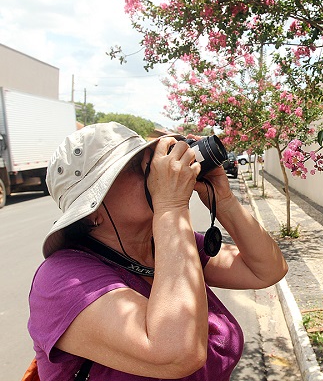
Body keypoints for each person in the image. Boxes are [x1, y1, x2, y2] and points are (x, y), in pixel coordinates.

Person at [27, 122, 288, 380]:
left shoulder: (166, 246)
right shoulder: (63, 281)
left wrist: (224, 201)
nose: (153, 170)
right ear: (92, 211)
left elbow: (267, 269)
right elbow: (178, 353)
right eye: (134, 165)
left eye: (149, 158)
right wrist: (172, 205)